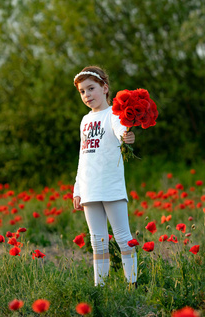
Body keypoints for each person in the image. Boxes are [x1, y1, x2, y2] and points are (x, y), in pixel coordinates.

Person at [72, 66, 137, 287]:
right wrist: (78, 190)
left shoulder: (113, 115)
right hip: (90, 187)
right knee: (97, 241)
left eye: (91, 88)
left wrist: (126, 136)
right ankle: (100, 289)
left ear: (105, 88)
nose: (87, 95)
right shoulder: (84, 121)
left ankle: (132, 285)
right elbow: (83, 157)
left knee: (123, 238)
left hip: (110, 185)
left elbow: (121, 130)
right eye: (82, 91)